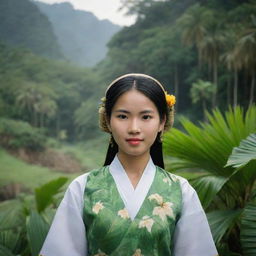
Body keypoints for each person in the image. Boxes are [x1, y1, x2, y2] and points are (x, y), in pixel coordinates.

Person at [40, 73, 218, 256]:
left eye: (146, 117)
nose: (134, 128)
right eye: (123, 116)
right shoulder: (82, 189)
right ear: (108, 120)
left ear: (162, 122)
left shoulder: (181, 191)